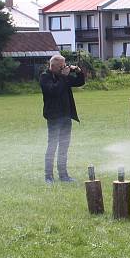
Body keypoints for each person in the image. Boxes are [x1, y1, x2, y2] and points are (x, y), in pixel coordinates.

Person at [40, 54, 85, 184]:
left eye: (64, 66)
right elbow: (54, 91)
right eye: (61, 67)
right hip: (54, 118)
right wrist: (64, 76)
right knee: (52, 146)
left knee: (64, 147)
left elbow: (79, 82)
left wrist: (78, 71)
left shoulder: (62, 77)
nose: (63, 68)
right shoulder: (45, 77)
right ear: (52, 66)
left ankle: (64, 175)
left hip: (66, 116)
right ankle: (48, 176)